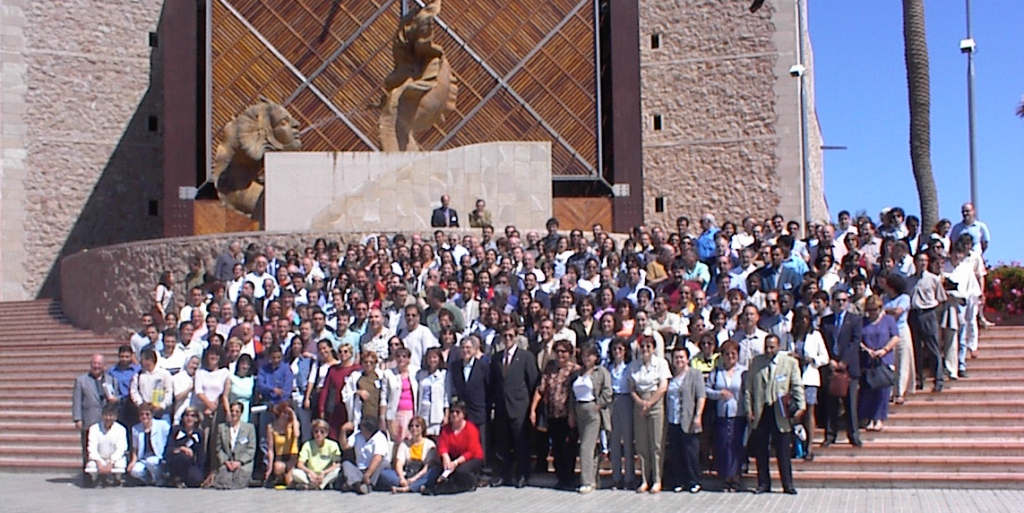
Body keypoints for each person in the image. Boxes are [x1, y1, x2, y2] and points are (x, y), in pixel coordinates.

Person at [743, 334, 804, 495]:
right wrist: (749, 409)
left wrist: (800, 406)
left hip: (780, 412)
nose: (769, 350)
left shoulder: (789, 363)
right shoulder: (757, 363)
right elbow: (748, 388)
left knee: (783, 450)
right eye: (767, 347)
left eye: (772, 347)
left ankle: (787, 484)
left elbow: (797, 385)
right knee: (761, 451)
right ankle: (763, 483)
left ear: (778, 347)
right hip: (761, 411)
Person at [489, 323, 539, 488]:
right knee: (503, 443)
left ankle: (522, 474)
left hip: (520, 407)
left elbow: (532, 382)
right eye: (505, 336)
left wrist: (531, 408)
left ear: (516, 337)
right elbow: (494, 383)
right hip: (502, 407)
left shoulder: (525, 356)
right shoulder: (496, 358)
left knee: (520, 443)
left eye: (511, 336)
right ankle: (505, 475)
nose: (508, 339)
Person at [530, 339, 579, 491]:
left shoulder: (575, 370)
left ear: (570, 353)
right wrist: (533, 409)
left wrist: (572, 414)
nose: (560, 354)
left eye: (563, 351)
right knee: (556, 449)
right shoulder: (550, 367)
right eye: (557, 351)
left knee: (568, 448)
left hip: (568, 415)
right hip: (552, 414)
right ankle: (561, 478)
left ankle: (569, 479)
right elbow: (541, 389)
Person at [783, 306, 828, 460]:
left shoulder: (815, 335)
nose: (803, 321)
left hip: (809, 378)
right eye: (800, 318)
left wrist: (812, 360)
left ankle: (809, 447)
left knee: (808, 411)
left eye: (806, 318)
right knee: (793, 413)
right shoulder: (789, 336)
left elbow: (825, 357)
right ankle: (795, 445)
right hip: (792, 379)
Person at [820, 289, 864, 447]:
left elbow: (855, 341)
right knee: (831, 403)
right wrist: (830, 360)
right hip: (832, 366)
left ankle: (853, 435)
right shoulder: (826, 321)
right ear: (832, 302)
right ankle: (830, 434)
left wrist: (844, 361)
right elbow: (823, 342)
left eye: (844, 300)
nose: (841, 303)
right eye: (838, 300)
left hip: (849, 366)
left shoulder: (855, 320)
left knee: (850, 404)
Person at [629, 334, 670, 493]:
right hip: (639, 404)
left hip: (656, 403)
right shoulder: (634, 365)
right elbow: (631, 387)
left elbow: (663, 386)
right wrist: (640, 403)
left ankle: (657, 480)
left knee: (656, 444)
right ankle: (644, 479)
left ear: (653, 348)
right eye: (643, 346)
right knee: (641, 445)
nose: (645, 349)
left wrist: (650, 403)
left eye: (648, 346)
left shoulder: (661, 363)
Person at [664, 345, 706, 494]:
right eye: (676, 357)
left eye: (681, 357)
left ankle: (693, 481)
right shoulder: (671, 377)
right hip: (673, 420)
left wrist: (698, 416)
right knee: (676, 453)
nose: (679, 360)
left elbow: (701, 396)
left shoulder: (695, 374)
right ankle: (679, 481)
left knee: (691, 453)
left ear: (687, 359)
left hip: (688, 419)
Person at [705, 340, 746, 492]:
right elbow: (706, 389)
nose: (730, 357)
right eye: (727, 354)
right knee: (722, 446)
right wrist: (718, 394)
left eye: (733, 354)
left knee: (736, 446)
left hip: (738, 414)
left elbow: (747, 391)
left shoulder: (743, 371)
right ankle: (724, 478)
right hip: (721, 414)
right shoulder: (717, 372)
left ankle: (735, 478)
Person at [571, 345, 612, 494]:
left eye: (590, 355)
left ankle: (586, 481)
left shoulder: (601, 372)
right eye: (584, 355)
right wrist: (571, 413)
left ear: (596, 357)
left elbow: (608, 391)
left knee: (585, 447)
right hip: (579, 410)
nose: (586, 358)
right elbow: (572, 394)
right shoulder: (579, 373)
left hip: (592, 412)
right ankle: (594, 479)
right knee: (591, 448)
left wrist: (598, 405)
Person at [423, 402, 484, 495]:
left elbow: (471, 452)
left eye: (457, 412)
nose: (454, 414)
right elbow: (442, 446)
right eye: (452, 412)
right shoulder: (446, 428)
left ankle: (470, 483)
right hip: (454, 456)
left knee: (460, 471)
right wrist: (445, 457)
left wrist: (455, 463)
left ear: (463, 415)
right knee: (439, 466)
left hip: (472, 457)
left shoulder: (471, 428)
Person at [907, 252, 947, 392]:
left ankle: (938, 379)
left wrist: (935, 315)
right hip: (913, 314)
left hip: (929, 312)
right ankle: (919, 379)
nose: (922, 263)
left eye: (925, 260)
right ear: (915, 262)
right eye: (920, 261)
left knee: (933, 348)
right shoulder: (909, 280)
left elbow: (941, 299)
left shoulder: (933, 279)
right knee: (916, 349)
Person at [73, 354, 119, 472]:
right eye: (94, 363)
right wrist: (78, 418)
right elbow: (77, 400)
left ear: (104, 366)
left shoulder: (111, 380)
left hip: (107, 420)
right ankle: (88, 475)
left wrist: (115, 400)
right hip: (89, 418)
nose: (96, 366)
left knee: (107, 448)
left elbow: (117, 397)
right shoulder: (81, 381)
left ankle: (105, 474)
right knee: (88, 448)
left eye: (99, 364)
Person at [859, 296, 899, 432]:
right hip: (868, 359)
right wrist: (866, 349)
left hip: (884, 359)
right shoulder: (862, 322)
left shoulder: (888, 320)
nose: (871, 312)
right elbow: (857, 338)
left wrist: (884, 350)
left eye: (874, 309)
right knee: (868, 389)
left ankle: (879, 418)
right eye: (869, 309)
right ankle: (869, 417)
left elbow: (895, 336)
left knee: (883, 390)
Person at [606, 338, 635, 490]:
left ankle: (629, 476)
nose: (617, 352)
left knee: (628, 440)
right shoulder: (609, 367)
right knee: (614, 441)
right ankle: (616, 477)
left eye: (620, 349)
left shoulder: (629, 367)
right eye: (615, 349)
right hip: (612, 401)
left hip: (626, 400)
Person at [379, 416, 437, 493]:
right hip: (406, 473)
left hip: (420, 475)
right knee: (384, 473)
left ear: (422, 428)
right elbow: (399, 464)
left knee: (433, 472)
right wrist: (402, 478)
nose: (414, 428)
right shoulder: (404, 444)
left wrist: (414, 479)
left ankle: (407, 489)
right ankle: (413, 486)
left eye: (417, 426)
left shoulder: (430, 444)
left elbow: (426, 468)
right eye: (411, 426)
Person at [880, 274, 914, 403]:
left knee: (902, 360)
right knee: (890, 362)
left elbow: (898, 311)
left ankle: (900, 392)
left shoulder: (904, 298)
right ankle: (889, 391)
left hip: (901, 331)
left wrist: (885, 310)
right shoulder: (884, 298)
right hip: (888, 331)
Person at [338, 417, 392, 494]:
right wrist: (343, 430)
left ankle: (365, 484)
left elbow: (378, 458)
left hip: (373, 469)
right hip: (360, 469)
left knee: (383, 463)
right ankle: (358, 485)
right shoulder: (357, 435)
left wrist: (368, 474)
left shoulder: (380, 437)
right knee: (346, 464)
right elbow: (344, 446)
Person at [212, 402, 258, 490]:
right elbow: (218, 448)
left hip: (243, 464)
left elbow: (251, 449)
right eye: (232, 411)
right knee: (224, 481)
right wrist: (226, 461)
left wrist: (239, 462)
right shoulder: (222, 428)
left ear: (241, 413)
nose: (234, 413)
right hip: (228, 462)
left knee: (239, 480)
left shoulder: (249, 428)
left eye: (237, 411)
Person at [84, 404, 128, 487]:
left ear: (115, 417)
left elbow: (121, 449)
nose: (108, 418)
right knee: (91, 466)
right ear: (102, 415)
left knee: (120, 465)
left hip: (114, 460)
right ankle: (96, 478)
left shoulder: (121, 429)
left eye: (111, 415)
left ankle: (117, 479)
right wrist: (99, 462)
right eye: (106, 415)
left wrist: (111, 462)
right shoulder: (94, 428)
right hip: (99, 458)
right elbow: (91, 448)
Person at [291, 419, 342, 490]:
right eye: (316, 431)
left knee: (337, 471)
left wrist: (324, 472)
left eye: (322, 432)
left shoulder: (333, 445)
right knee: (294, 472)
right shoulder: (307, 445)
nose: (319, 434)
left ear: (326, 433)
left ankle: (319, 485)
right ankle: (314, 484)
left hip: (325, 474)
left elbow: (338, 464)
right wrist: (310, 472)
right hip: (311, 475)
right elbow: (300, 464)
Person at [127, 403, 170, 486]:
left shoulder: (162, 425)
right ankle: (149, 480)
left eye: (147, 414)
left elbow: (169, 440)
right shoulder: (136, 428)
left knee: (150, 461)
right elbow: (135, 448)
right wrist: (133, 462)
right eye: (142, 414)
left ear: (152, 414)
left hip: (158, 457)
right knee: (135, 471)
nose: (144, 417)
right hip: (143, 458)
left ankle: (160, 478)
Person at [384, 346, 420, 442]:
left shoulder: (416, 372)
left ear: (409, 359)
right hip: (396, 413)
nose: (401, 359)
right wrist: (383, 417)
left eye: (404, 356)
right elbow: (384, 397)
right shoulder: (389, 374)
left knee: (410, 440)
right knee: (396, 441)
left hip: (411, 413)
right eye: (398, 356)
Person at [165, 406, 206, 488]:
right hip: (176, 461)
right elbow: (168, 450)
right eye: (187, 415)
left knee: (197, 479)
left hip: (191, 464)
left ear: (197, 419)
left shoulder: (199, 433)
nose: (189, 418)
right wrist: (181, 449)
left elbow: (201, 454)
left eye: (192, 416)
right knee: (183, 457)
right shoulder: (175, 430)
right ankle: (175, 478)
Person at [265, 401, 300, 488]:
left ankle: (288, 477)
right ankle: (279, 477)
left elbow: (296, 434)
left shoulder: (293, 424)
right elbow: (270, 449)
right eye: (284, 413)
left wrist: (294, 416)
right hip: (280, 457)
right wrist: (269, 468)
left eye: (288, 413)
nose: (286, 416)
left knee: (289, 482)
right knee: (278, 467)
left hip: (292, 457)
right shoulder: (271, 427)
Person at [416, 347, 449, 436]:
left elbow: (446, 397)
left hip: (436, 411)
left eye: (434, 357)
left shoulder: (444, 375)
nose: (432, 360)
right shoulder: (421, 374)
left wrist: (446, 416)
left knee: (436, 437)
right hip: (423, 409)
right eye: (429, 357)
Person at [224, 353, 255, 423]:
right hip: (233, 412)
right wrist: (228, 412)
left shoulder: (252, 379)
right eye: (243, 364)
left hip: (247, 413)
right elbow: (225, 397)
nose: (245, 366)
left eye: (248, 364)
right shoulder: (231, 378)